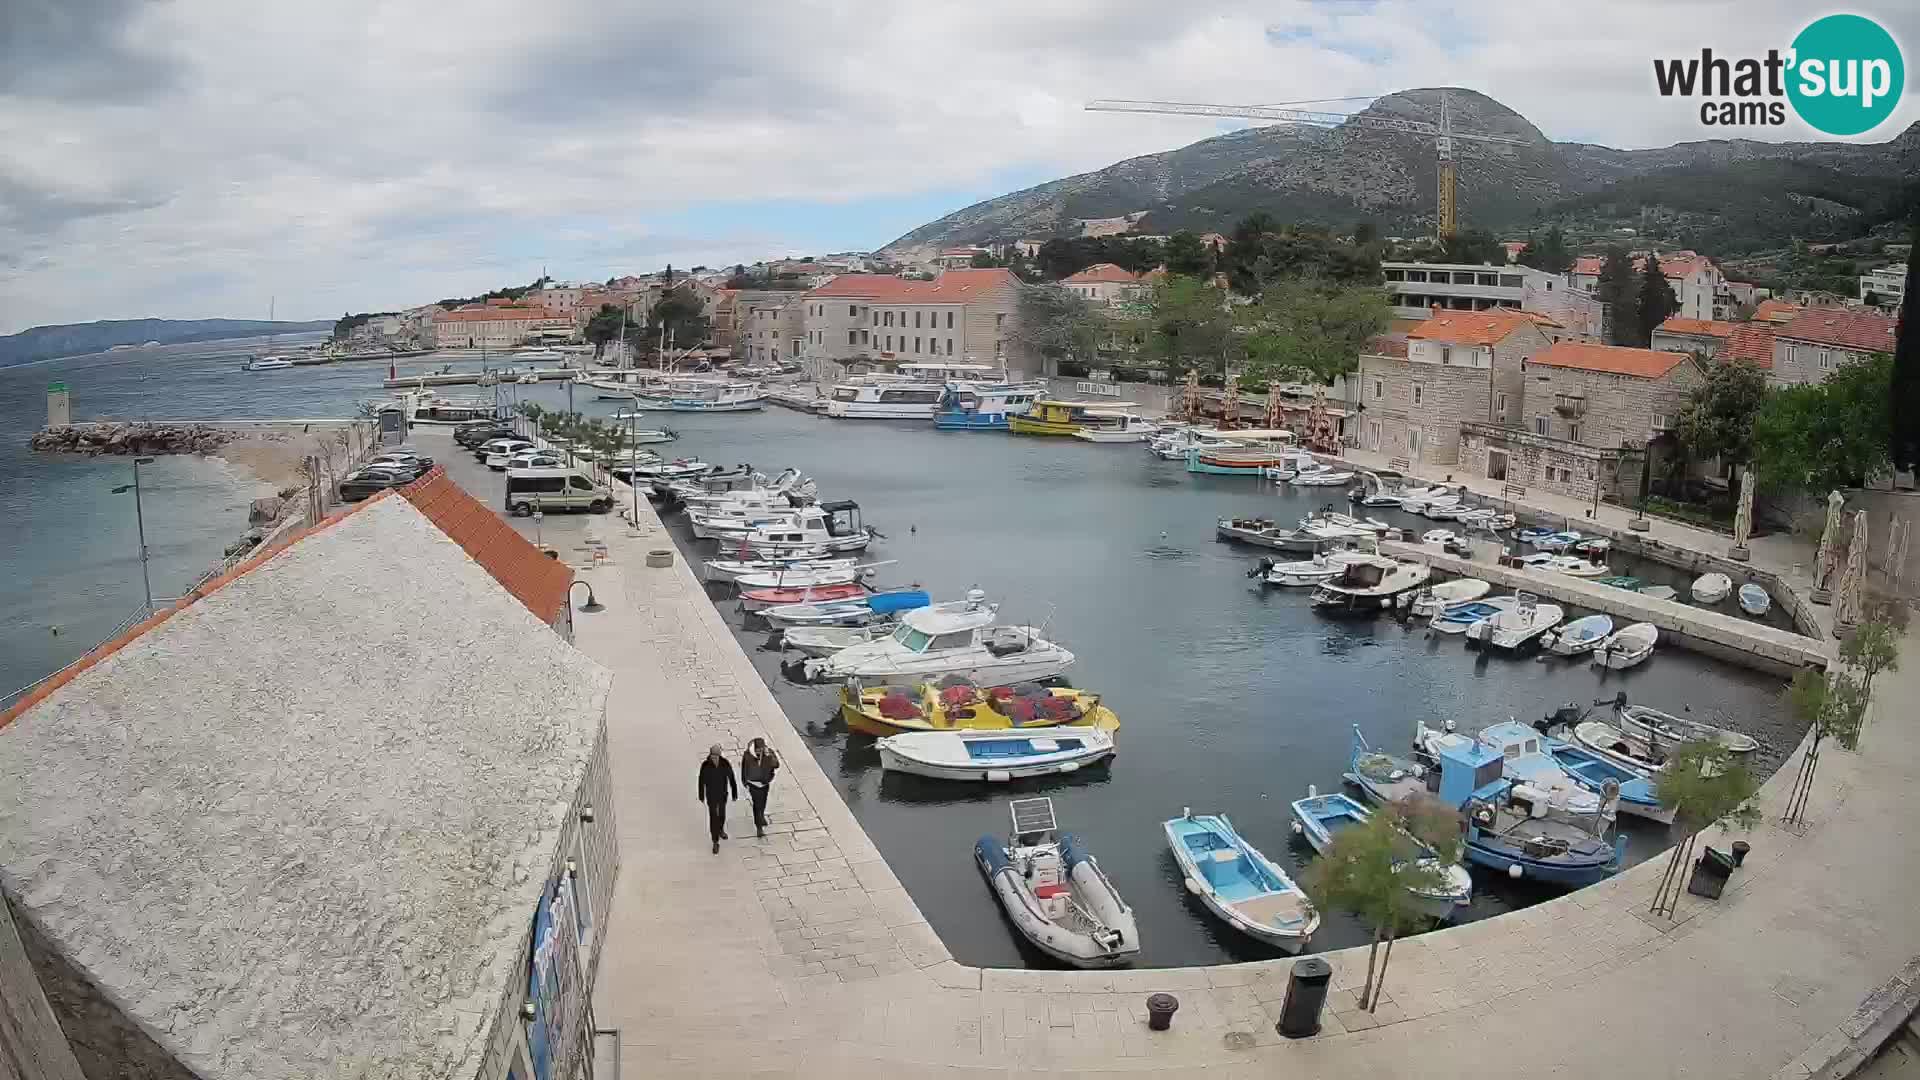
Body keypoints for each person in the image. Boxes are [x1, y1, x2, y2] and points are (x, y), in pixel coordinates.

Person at [697, 744, 737, 854]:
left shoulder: (725, 764)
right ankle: (715, 841)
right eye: (713, 755)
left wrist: (734, 792)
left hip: (722, 794)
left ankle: (721, 829)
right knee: (713, 817)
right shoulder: (705, 765)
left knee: (722, 815)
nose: (714, 757)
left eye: (716, 755)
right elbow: (701, 781)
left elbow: (731, 777)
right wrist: (701, 794)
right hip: (711, 796)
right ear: (710, 755)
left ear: (720, 755)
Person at [739, 737, 780, 837]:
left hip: (765, 783)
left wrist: (769, 756)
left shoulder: (768, 753)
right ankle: (759, 827)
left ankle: (761, 815)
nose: (760, 751)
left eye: (762, 749)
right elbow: (744, 768)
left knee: (763, 802)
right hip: (753, 784)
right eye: (758, 749)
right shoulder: (748, 755)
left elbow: (776, 765)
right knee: (757, 805)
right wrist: (744, 781)